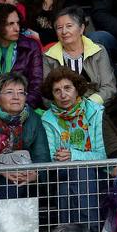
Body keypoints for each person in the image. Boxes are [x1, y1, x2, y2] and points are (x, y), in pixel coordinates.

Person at [39, 67, 105, 223]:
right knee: (75, 175)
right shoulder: (47, 118)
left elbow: (102, 155)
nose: (63, 95)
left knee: (69, 185)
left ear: (77, 89)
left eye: (67, 88)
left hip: (95, 173)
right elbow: (52, 158)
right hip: (61, 172)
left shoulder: (96, 111)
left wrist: (73, 156)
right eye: (57, 91)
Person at [0, 72, 50, 177]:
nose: (16, 97)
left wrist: (36, 174)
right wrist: (1, 171)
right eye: (9, 92)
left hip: (28, 178)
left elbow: (42, 155)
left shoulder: (35, 121)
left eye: (21, 93)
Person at [0, 3, 44, 113]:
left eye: (18, 23)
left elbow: (36, 88)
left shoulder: (31, 47)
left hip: (25, 110)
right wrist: (1, 109)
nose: (17, 28)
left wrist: (16, 108)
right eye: (10, 24)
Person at [43, 7, 115, 106]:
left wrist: (87, 105)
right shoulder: (48, 56)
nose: (64, 31)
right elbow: (46, 93)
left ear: (81, 28)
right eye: (59, 28)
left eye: (69, 26)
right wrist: (65, 108)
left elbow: (109, 88)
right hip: (62, 112)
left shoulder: (98, 51)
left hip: (95, 109)